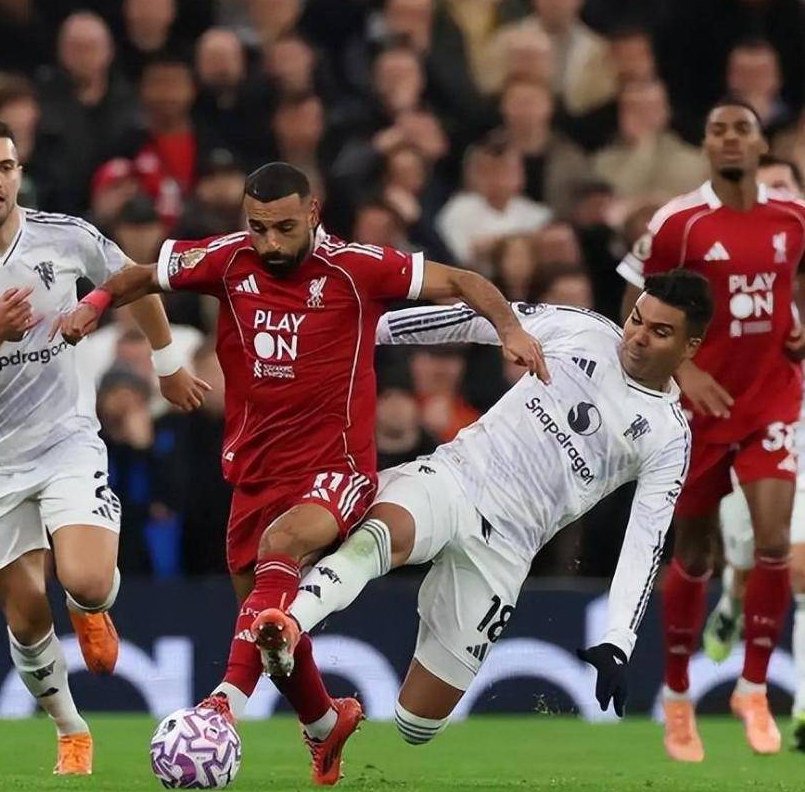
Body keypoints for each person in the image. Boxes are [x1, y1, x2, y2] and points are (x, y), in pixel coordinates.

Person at [52, 161, 549, 785]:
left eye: (284, 227)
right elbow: (140, 274)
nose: (270, 242)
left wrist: (510, 329)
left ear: (313, 213)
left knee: (280, 548)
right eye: (257, 227)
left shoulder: (357, 268)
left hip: (335, 467)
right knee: (267, 626)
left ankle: (221, 705)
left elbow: (463, 279)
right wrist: (95, 304)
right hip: (255, 470)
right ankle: (324, 724)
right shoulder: (228, 260)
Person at [265, 270, 710, 745]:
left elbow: (644, 541)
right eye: (637, 319)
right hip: (456, 479)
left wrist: (618, 639)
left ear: (690, 347)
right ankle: (288, 625)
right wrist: (367, 329)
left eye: (659, 332)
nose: (637, 337)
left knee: (417, 724)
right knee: (387, 534)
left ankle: (333, 691)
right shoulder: (584, 330)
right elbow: (474, 319)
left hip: (507, 550)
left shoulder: (668, 436)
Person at [0, 119, 206, 776]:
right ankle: (71, 730)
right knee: (25, 614)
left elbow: (132, 280)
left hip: (66, 440)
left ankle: (91, 607)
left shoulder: (65, 235)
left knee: (87, 579)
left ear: (19, 172)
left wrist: (166, 363)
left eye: (5, 167)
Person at [616, 100, 805, 762]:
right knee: (697, 554)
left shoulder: (795, 216)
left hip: (770, 399)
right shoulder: (679, 223)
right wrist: (682, 370)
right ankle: (678, 696)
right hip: (698, 410)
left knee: (773, 542)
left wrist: (803, 324)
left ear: (761, 144)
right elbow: (633, 303)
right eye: (717, 130)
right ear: (705, 146)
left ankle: (753, 689)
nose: (730, 139)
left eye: (742, 129)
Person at [703, 155, 805, 754]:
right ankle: (731, 597)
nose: (775, 193)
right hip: (750, 427)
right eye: (766, 185)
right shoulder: (725, 257)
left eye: (784, 184)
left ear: (801, 196)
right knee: (752, 560)